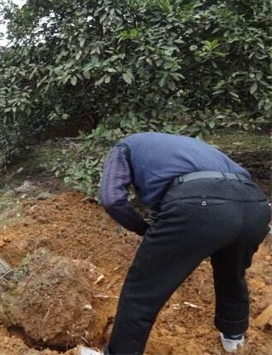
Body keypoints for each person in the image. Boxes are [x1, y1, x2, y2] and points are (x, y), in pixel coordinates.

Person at [80, 132, 271, 355]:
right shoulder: (190, 148)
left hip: (199, 204)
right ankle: (233, 336)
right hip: (255, 205)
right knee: (232, 272)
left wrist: (144, 229)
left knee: (143, 288)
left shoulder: (124, 147)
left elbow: (112, 198)